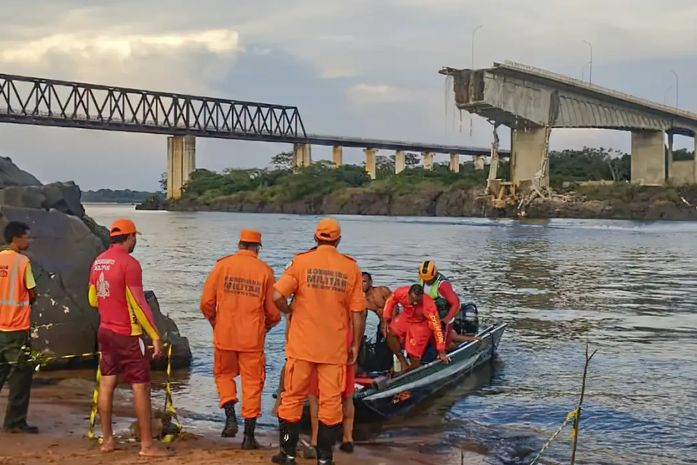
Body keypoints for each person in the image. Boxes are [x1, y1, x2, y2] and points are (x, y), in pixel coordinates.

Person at [272, 218, 366, 465]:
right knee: (331, 402)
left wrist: (289, 311)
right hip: (333, 349)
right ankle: (325, 459)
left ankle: (288, 454)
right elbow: (358, 312)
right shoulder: (350, 268)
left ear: (315, 238)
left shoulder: (301, 262)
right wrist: (355, 344)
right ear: (338, 240)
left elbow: (276, 295)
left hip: (302, 346)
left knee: (292, 398)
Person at [87, 219, 169, 457]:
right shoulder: (129, 264)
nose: (135, 242)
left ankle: (108, 440)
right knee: (140, 387)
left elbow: (92, 299)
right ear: (130, 237)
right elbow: (139, 303)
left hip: (105, 331)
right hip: (128, 334)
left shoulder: (98, 261)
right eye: (135, 237)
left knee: (107, 384)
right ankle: (147, 445)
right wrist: (155, 335)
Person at [200, 229, 280, 448]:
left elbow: (206, 302)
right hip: (252, 339)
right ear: (258, 248)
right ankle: (248, 437)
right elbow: (273, 312)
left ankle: (230, 417)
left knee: (223, 375)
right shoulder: (265, 271)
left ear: (239, 244)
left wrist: (216, 323)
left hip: (224, 334)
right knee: (252, 384)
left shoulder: (222, 266)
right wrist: (267, 326)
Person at [0, 221, 38, 434]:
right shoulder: (23, 262)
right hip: (16, 327)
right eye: (27, 237)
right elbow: (31, 292)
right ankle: (15, 421)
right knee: (22, 373)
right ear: (16, 238)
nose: (29, 241)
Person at [382, 284, 449, 372]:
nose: (415, 303)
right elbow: (391, 301)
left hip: (421, 323)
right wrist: (386, 318)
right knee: (390, 332)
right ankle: (402, 361)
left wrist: (441, 350)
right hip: (407, 316)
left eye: (418, 301)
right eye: (413, 300)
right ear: (408, 294)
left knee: (413, 353)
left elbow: (437, 327)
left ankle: (411, 370)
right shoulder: (401, 292)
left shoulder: (428, 305)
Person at [418, 260, 479, 347]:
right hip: (431, 313)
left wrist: (446, 320)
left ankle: (458, 341)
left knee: (445, 344)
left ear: (434, 274)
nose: (427, 282)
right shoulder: (422, 278)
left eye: (429, 280)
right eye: (425, 280)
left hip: (445, 313)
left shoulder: (443, 285)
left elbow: (455, 304)